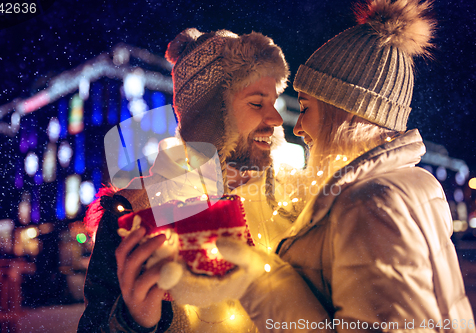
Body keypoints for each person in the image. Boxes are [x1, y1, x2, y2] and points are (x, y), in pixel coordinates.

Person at [214, 0, 474, 331]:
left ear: (344, 112)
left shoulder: (370, 204)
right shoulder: (396, 186)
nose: (297, 127)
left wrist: (267, 288)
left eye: (306, 108)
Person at [77, 28, 293, 332]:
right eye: (257, 103)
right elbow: (95, 326)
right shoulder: (136, 212)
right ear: (212, 116)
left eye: (274, 101)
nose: (275, 119)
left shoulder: (290, 202)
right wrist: (134, 321)